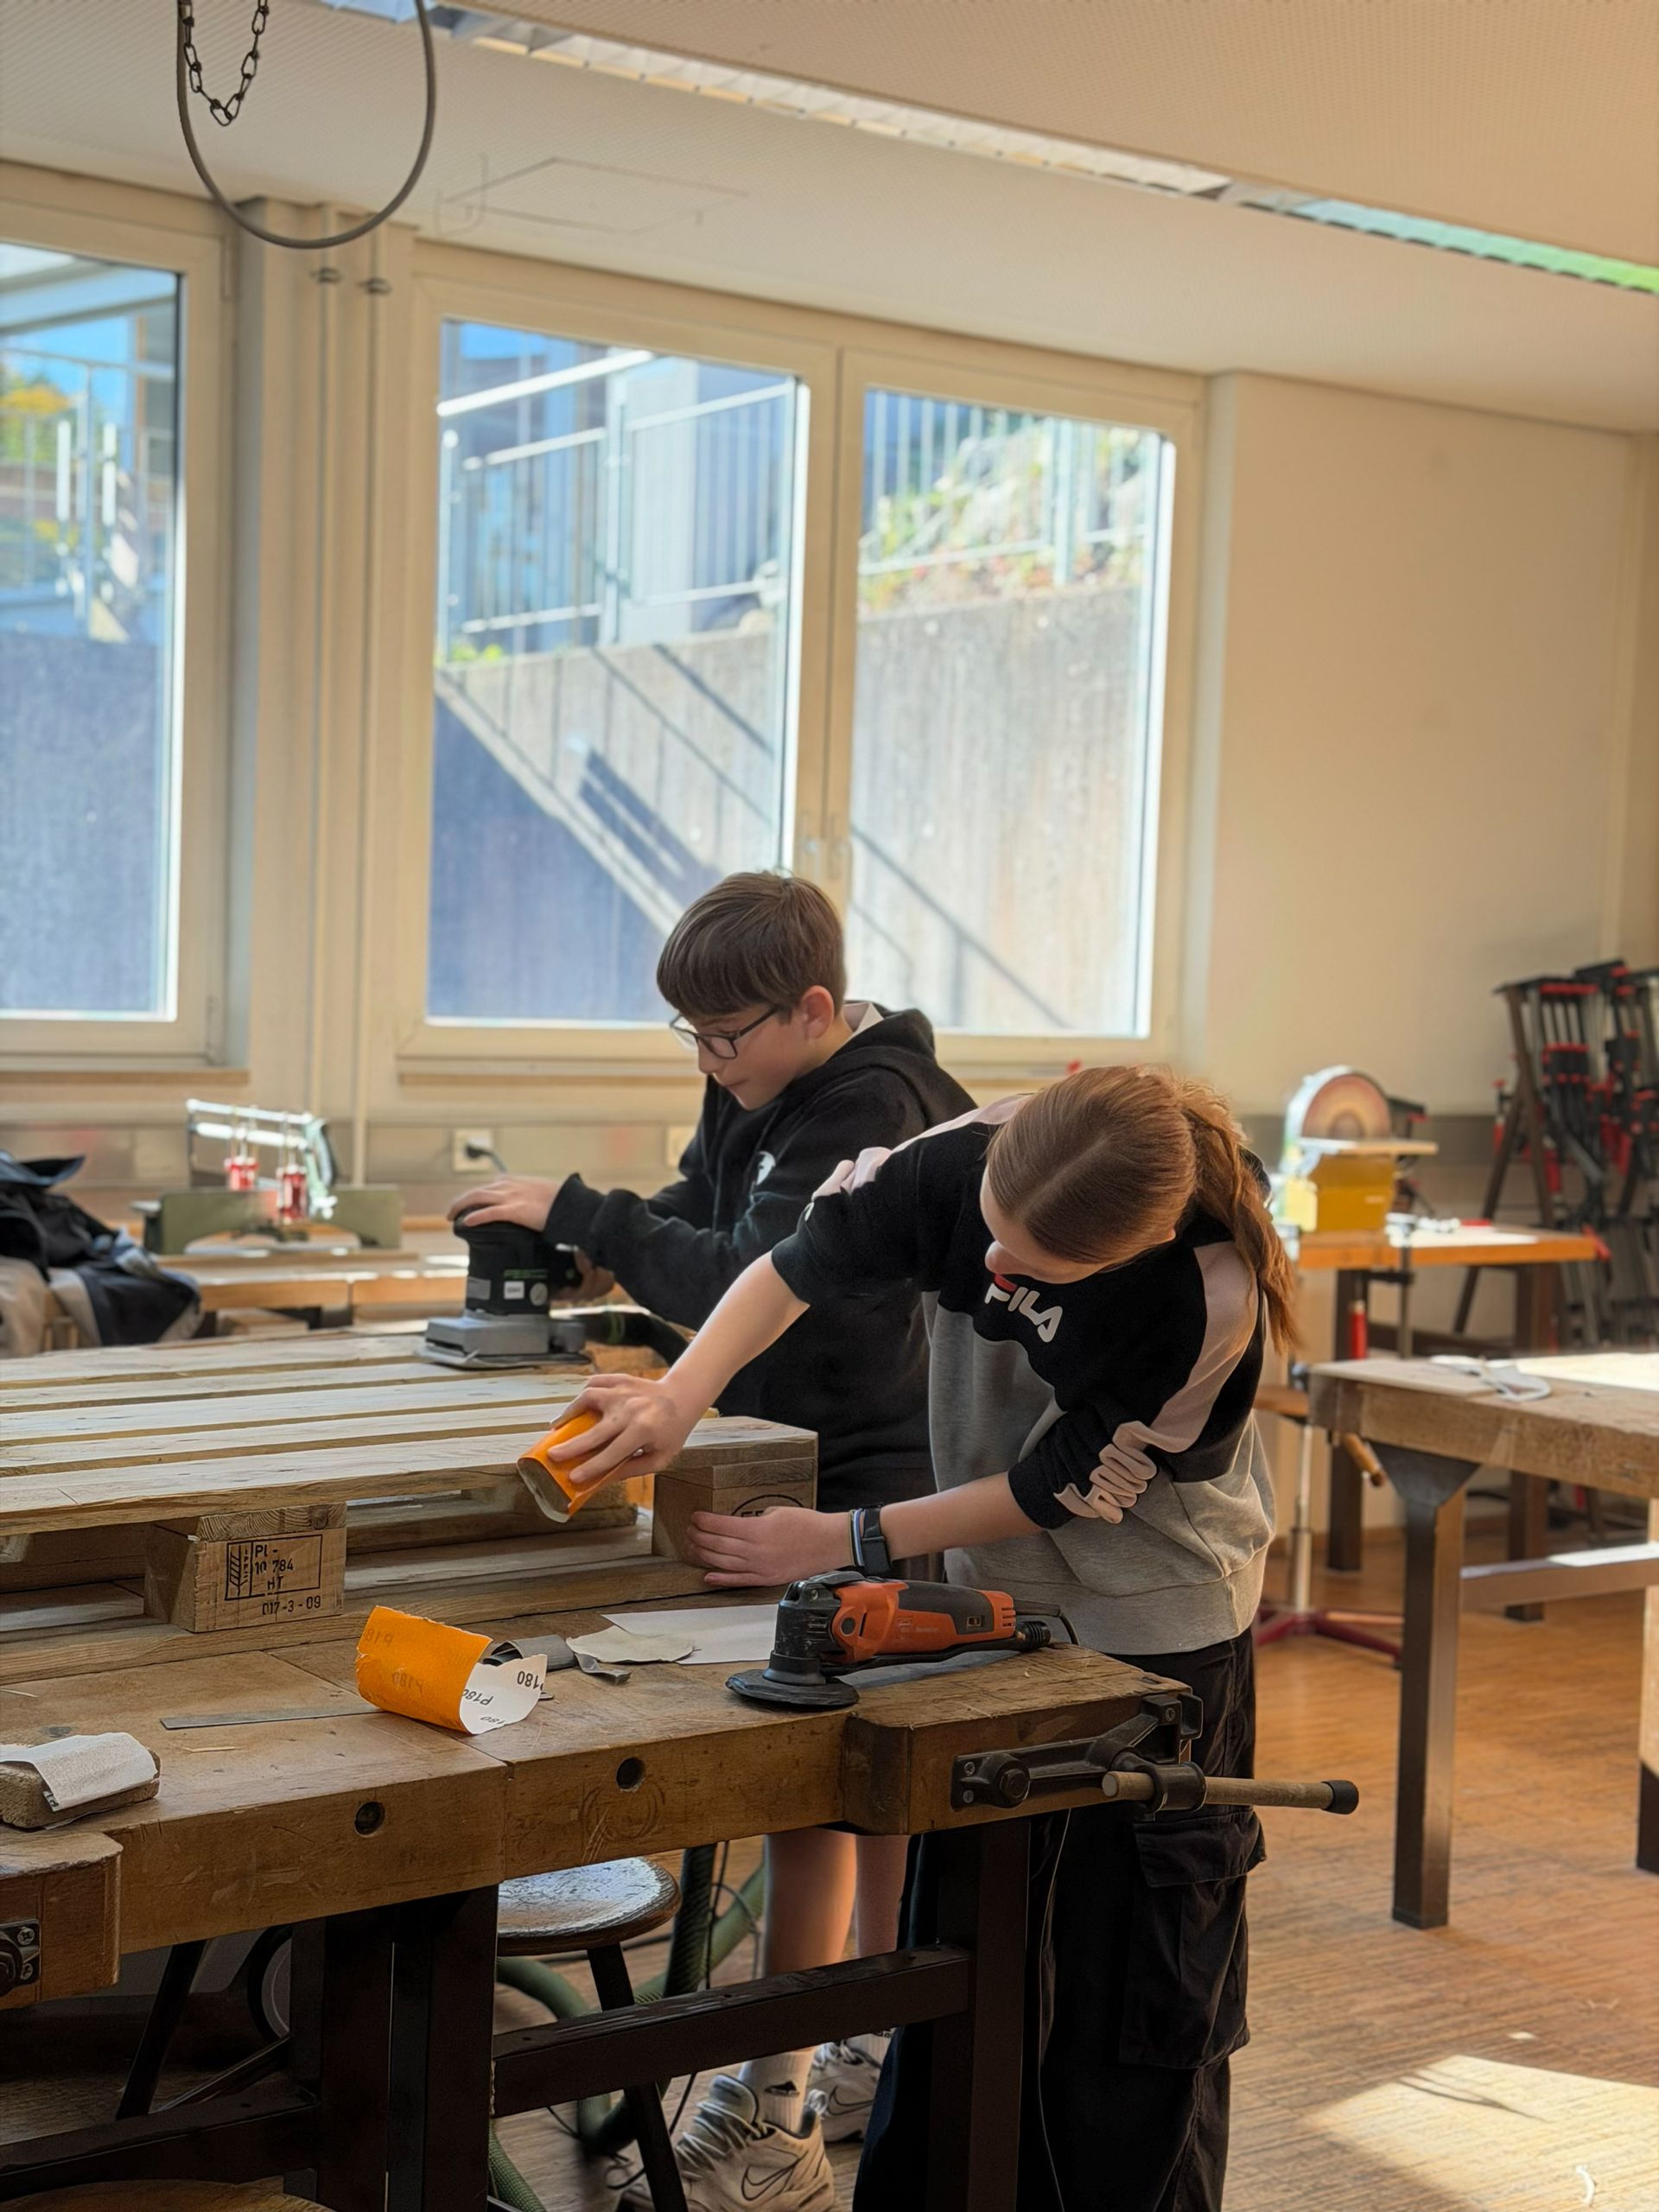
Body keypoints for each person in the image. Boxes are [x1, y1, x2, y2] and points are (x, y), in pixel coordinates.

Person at [547, 1065, 1298, 2212]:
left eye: (1029, 1270)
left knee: (1127, 2007)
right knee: (971, 1972)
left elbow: (1053, 1488)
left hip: (1153, 1636)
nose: (989, 1270)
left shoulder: (1206, 1297)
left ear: (1129, 1253)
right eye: (988, 1235)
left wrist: (847, 1538)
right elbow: (799, 1265)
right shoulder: (965, 1157)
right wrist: (678, 1398)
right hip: (1004, 1606)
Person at [449, 870, 973, 2209]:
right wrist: (593, 1248)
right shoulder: (759, 1071)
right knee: (833, 1794)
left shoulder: (872, 1106)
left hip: (868, 1475)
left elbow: (750, 1264)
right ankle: (854, 2051)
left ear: (813, 1009)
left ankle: (787, 2107)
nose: (707, 1062)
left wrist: (590, 1216)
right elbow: (703, 1204)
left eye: (724, 1038)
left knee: (836, 1785)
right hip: (787, 1450)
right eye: (689, 1036)